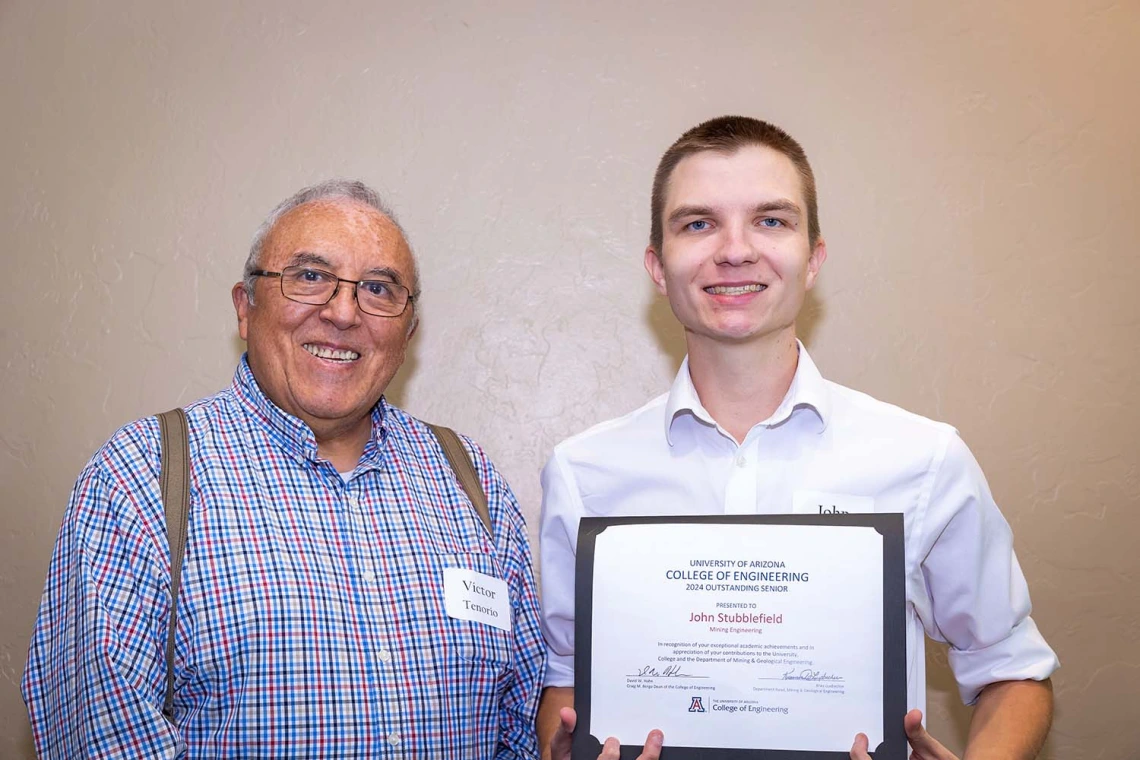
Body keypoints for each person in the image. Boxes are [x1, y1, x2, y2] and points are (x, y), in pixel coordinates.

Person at [536, 117, 1058, 760]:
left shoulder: (924, 461)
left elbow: (1012, 670)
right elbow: (565, 680)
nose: (735, 249)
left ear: (813, 259)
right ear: (656, 264)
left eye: (771, 221)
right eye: (697, 223)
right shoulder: (584, 472)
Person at [23, 179, 545, 759]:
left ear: (408, 334)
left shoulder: (472, 483)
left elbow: (521, 730)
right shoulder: (139, 478)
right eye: (310, 277)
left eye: (378, 288)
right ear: (245, 309)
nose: (344, 312)